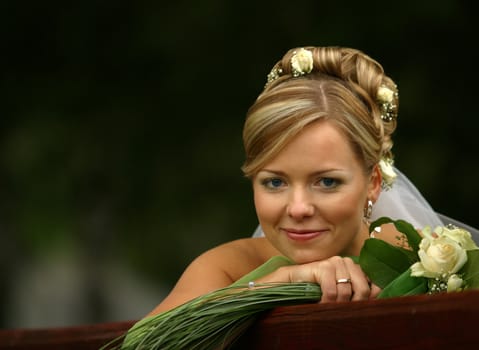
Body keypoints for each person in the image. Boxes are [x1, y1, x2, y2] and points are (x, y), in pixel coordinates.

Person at [148, 45, 477, 316]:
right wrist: (281, 282)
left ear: (373, 182)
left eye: (327, 182)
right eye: (275, 183)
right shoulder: (227, 268)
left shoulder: (430, 263)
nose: (299, 208)